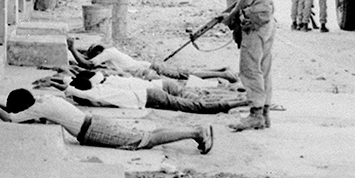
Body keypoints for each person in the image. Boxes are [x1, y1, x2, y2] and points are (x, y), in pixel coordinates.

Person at [0, 87, 213, 154]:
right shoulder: (43, 100)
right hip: (93, 123)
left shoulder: (38, 108)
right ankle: (192, 131)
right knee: (146, 136)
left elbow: (9, 118)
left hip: (93, 131)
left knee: (146, 141)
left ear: (26, 108)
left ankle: (195, 132)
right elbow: (15, 108)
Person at [221, 0, 280, 131]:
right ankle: (264, 114)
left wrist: (232, 15)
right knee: (264, 68)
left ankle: (255, 114)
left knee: (249, 68)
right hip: (266, 20)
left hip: (254, 22)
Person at [38, 69, 249, 114]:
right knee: (194, 97)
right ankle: (238, 96)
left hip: (151, 97)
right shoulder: (101, 84)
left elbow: (75, 89)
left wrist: (59, 86)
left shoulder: (96, 93)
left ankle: (240, 102)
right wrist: (53, 82)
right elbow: (73, 84)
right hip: (150, 92)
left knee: (195, 105)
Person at [65, 39, 239, 83]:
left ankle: (224, 74)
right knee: (185, 73)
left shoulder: (107, 54)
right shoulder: (111, 52)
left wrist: (72, 49)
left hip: (152, 68)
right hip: (150, 65)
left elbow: (87, 64)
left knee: (185, 76)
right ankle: (221, 70)